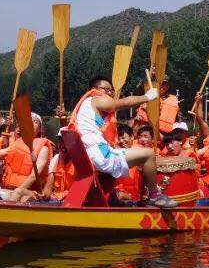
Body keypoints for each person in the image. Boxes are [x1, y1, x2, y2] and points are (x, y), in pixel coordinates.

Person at [69, 75, 176, 209]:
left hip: (90, 156)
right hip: (99, 157)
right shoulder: (95, 99)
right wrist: (147, 97)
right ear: (94, 89)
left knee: (139, 156)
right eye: (106, 90)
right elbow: (121, 103)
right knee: (148, 154)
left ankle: (117, 200)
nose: (110, 93)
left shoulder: (85, 106)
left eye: (111, 91)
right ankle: (154, 196)